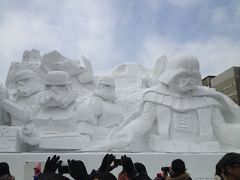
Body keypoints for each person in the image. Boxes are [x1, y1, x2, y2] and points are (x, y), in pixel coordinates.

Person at [109, 54, 240, 152]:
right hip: (163, 149)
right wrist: (128, 131)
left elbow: (222, 131)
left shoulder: (208, 100)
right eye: (182, 75)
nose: (187, 80)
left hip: (206, 149)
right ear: (170, 75)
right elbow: (144, 122)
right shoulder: (155, 97)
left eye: (192, 75)